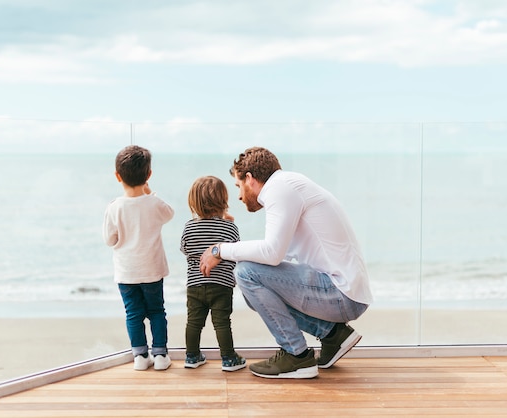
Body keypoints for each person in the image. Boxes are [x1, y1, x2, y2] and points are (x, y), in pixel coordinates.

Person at [199, 147, 373, 379]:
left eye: (238, 186)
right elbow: (278, 256)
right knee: (255, 291)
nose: (239, 196)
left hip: (340, 293)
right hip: (345, 291)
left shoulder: (279, 189)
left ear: (249, 179)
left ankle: (297, 356)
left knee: (246, 273)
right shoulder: (289, 185)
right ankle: (332, 334)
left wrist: (220, 250)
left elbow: (271, 253)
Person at [103, 145, 174, 371]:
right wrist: (150, 192)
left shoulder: (114, 207)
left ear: (117, 176)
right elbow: (170, 213)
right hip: (152, 270)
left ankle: (140, 357)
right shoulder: (153, 203)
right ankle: (161, 355)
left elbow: (109, 239)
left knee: (133, 313)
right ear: (149, 176)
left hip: (127, 272)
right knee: (156, 311)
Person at [180, 176, 246, 372]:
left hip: (195, 284)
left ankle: (191, 356)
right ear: (223, 202)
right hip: (222, 285)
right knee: (222, 323)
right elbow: (235, 251)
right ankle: (228, 359)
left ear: (194, 202)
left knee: (193, 322)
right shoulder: (229, 227)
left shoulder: (189, 226)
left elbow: (184, 248)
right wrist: (228, 223)